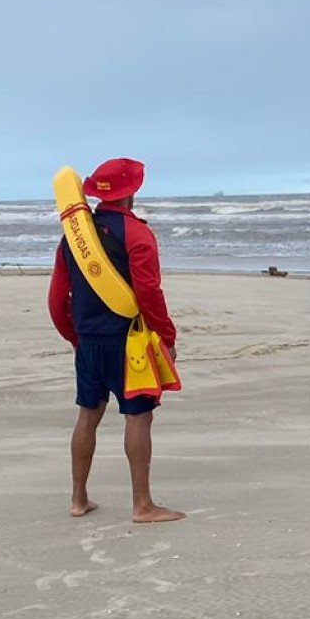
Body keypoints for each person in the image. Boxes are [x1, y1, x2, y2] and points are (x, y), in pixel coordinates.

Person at [48, 157, 183, 523]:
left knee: (87, 416)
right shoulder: (137, 234)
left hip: (89, 343)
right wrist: (166, 337)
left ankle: (78, 499)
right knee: (138, 418)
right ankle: (142, 505)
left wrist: (77, 338)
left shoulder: (75, 239)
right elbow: (150, 293)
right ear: (132, 193)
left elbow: (57, 299)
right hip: (129, 345)